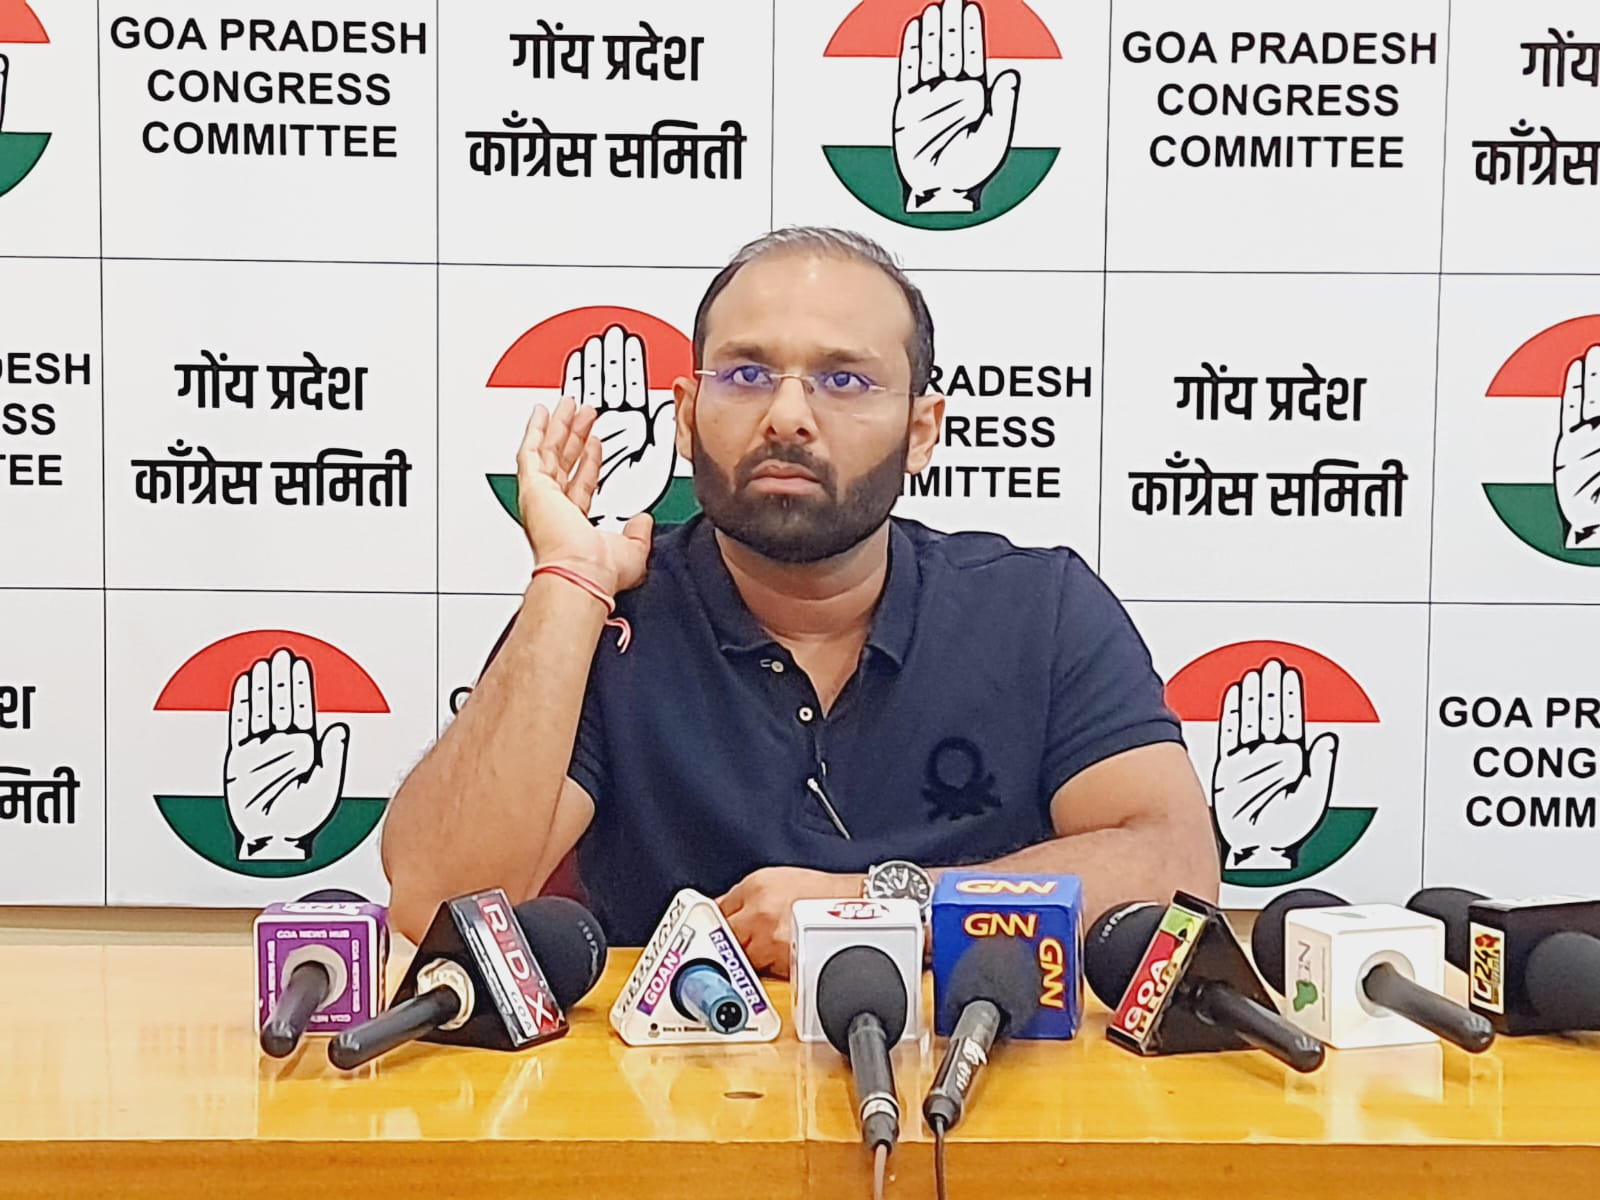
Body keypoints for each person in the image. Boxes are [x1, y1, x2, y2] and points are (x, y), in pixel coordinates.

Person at [382, 227, 1219, 973]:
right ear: (686, 418)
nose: (787, 416)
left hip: (985, 1077)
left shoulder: (1039, 609)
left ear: (921, 431)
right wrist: (567, 580)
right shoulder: (610, 614)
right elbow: (436, 903)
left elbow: (1175, 869)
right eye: (746, 374)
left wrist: (874, 911)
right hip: (666, 1086)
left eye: (843, 380)